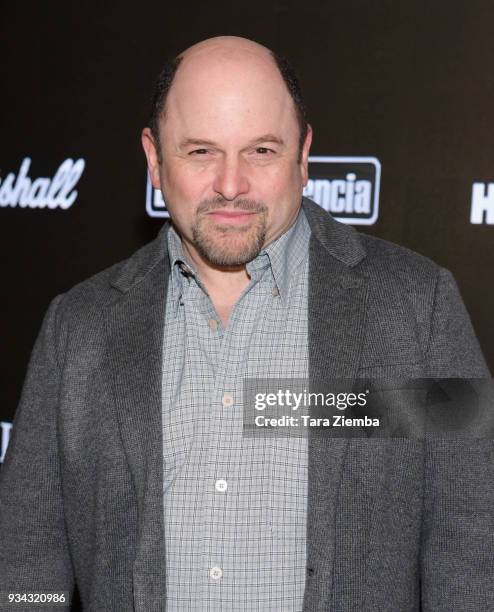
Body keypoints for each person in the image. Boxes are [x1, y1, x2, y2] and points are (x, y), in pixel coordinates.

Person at [0, 35, 492, 612]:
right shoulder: (78, 329)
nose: (231, 185)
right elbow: (27, 565)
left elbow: (471, 539)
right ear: (154, 159)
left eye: (261, 151)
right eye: (200, 151)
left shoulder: (418, 308)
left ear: (304, 155)